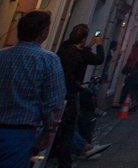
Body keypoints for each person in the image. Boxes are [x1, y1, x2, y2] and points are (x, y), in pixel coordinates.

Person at [0, 10, 65, 168]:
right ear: (44, 32)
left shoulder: (2, 56)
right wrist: (47, 133)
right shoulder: (48, 60)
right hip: (20, 132)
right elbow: (55, 102)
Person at [52, 25, 105, 168]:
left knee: (59, 124)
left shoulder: (64, 48)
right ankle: (66, 159)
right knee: (68, 127)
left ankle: (81, 148)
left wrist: (89, 46)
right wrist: (99, 45)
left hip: (57, 91)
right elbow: (99, 59)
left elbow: (81, 52)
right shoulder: (79, 54)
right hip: (71, 93)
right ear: (82, 38)